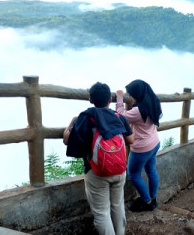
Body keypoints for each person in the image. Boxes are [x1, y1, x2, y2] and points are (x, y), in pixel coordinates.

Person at [63, 82, 134, 235]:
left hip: (96, 172)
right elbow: (131, 140)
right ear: (110, 99)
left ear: (90, 100)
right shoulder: (119, 117)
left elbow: (67, 140)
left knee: (102, 212)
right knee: (118, 205)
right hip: (120, 169)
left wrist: (71, 123)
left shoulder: (86, 118)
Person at [116, 79, 163, 212]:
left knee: (133, 174)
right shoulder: (155, 102)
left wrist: (120, 97)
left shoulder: (138, 111)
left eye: (131, 94)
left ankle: (147, 201)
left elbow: (121, 115)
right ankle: (153, 198)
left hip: (142, 148)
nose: (130, 97)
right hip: (154, 142)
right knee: (151, 170)